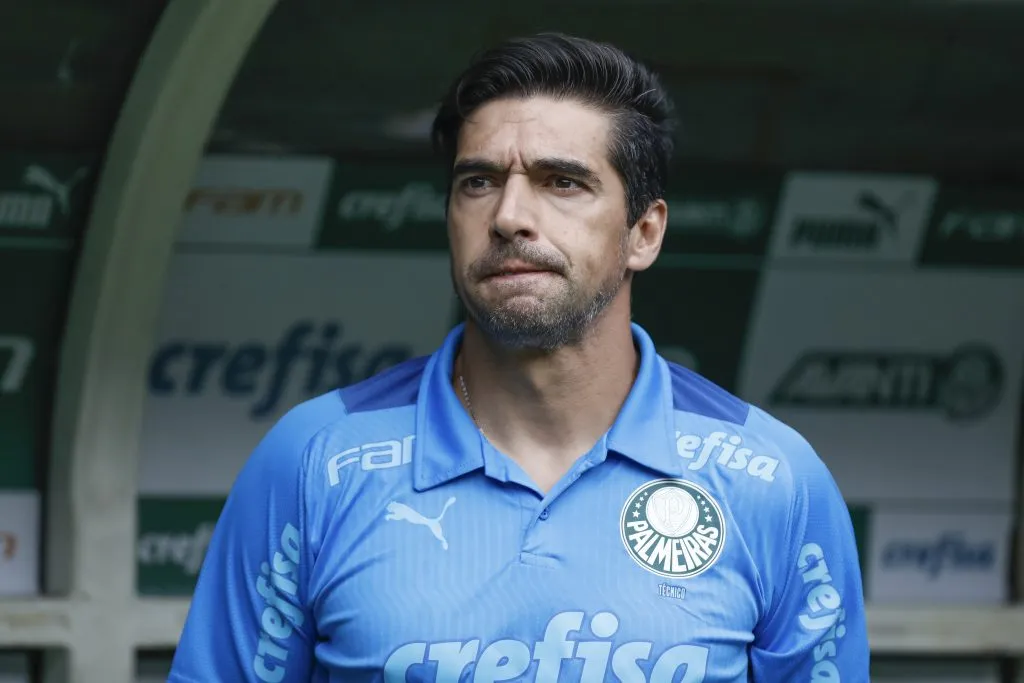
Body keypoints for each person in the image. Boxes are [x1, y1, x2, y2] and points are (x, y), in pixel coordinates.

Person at [168, 32, 869, 683]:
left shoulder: (774, 479)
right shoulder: (315, 459)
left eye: (562, 181)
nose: (508, 215)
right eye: (477, 182)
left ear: (644, 233)